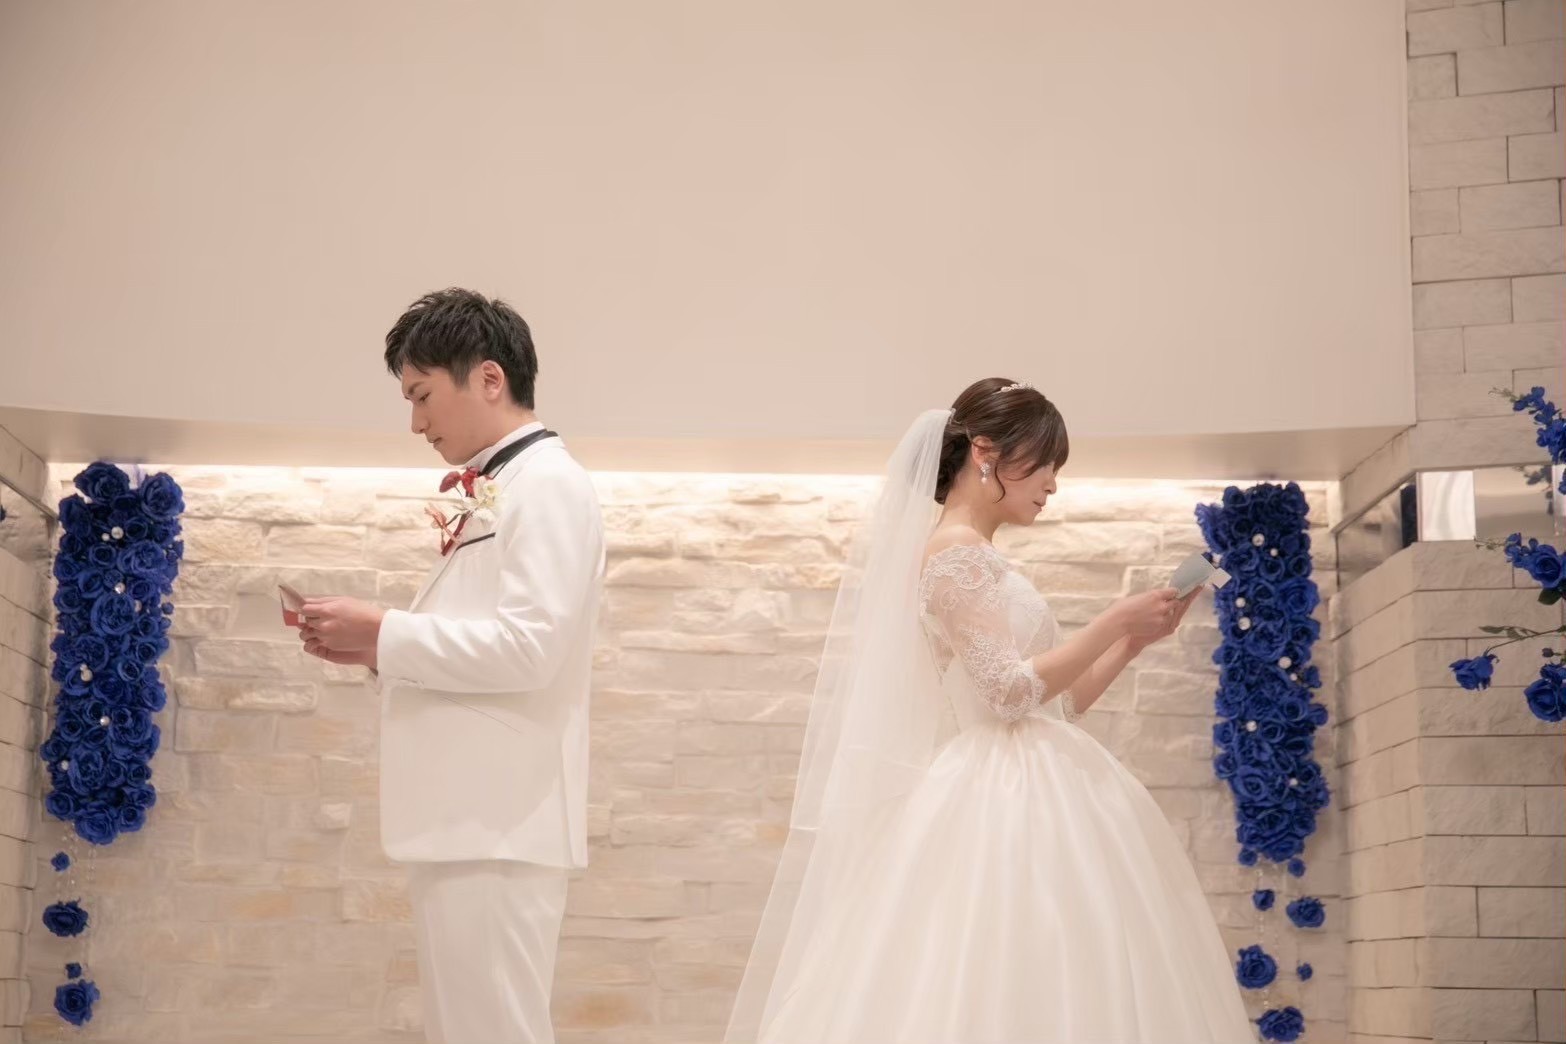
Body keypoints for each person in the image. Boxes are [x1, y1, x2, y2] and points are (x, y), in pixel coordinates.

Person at [726, 377, 1256, 1043]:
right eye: (1045, 463)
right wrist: (1112, 620)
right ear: (985, 453)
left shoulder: (978, 556)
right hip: (998, 793)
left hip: (1036, 776)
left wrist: (1132, 641)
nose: (1053, 484)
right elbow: (1007, 693)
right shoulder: (952, 553)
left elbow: (1060, 702)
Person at [296, 288, 604, 1044]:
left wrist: (386, 632)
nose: (415, 422)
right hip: (474, 822)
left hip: (497, 822)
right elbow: (490, 637)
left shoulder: (549, 483)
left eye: (422, 394)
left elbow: (531, 648)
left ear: (489, 379)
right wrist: (377, 651)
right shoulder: (510, 484)